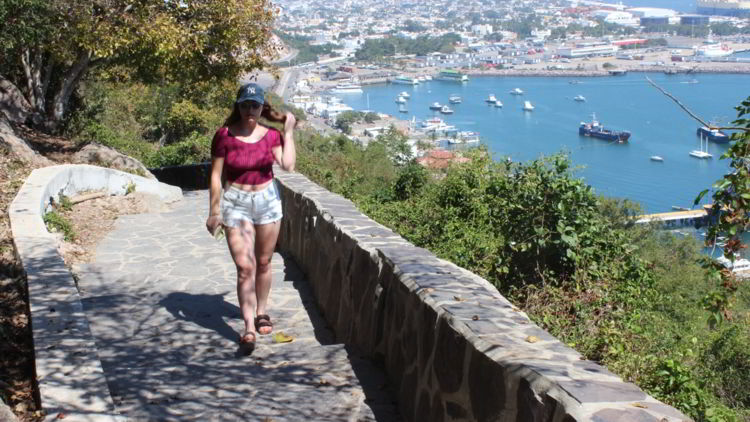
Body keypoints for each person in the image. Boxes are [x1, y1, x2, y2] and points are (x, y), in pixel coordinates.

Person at [205, 82, 296, 353]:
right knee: (245, 267)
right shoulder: (224, 136)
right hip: (236, 201)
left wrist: (288, 133)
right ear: (238, 106)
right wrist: (214, 211)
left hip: (267, 200)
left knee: (265, 262)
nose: (250, 110)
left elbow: (288, 165)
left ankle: (261, 311)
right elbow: (215, 176)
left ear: (261, 107)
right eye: (245, 104)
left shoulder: (270, 136)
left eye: (255, 105)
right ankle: (247, 326)